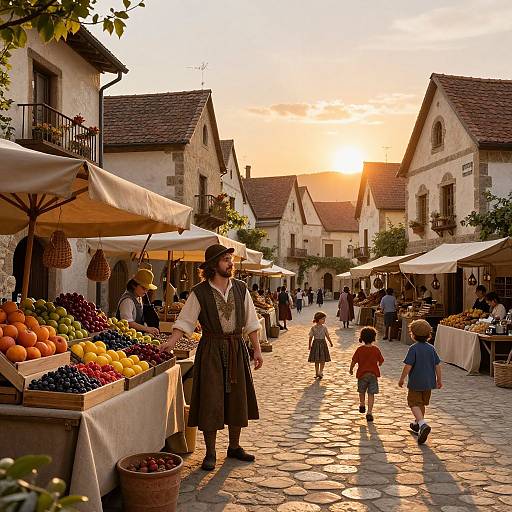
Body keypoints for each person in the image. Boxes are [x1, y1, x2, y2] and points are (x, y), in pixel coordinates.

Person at [161, 244, 263, 471]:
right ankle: (210, 452)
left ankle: (234, 447)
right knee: (210, 399)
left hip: (236, 347)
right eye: (226, 259)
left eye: (231, 259)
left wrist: (256, 349)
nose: (231, 263)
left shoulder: (241, 288)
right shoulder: (200, 292)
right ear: (213, 265)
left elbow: (251, 322)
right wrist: (170, 342)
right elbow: (185, 321)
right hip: (210, 350)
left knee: (237, 398)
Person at [398, 319, 442, 445]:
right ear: (429, 335)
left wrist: (402, 378)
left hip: (416, 382)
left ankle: (422, 424)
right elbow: (437, 365)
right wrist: (439, 379)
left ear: (413, 334)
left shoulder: (413, 348)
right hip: (429, 382)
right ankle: (417, 424)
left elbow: (408, 366)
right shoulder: (431, 348)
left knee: (413, 403)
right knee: (421, 403)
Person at [349, 327, 384, 422]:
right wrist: (378, 364)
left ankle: (362, 404)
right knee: (371, 393)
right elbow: (381, 361)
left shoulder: (359, 349)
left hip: (362, 374)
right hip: (373, 375)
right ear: (374, 338)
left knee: (362, 391)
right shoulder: (376, 349)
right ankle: (369, 412)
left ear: (362, 338)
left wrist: (351, 369)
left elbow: (354, 360)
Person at [116, 269, 160, 335]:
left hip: (136, 335)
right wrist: (147, 329)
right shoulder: (127, 301)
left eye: (147, 289)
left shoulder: (139, 297)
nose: (145, 292)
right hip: (125, 336)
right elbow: (128, 322)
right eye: (143, 288)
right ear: (134, 285)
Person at [308, 311, 333, 379]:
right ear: (318, 319)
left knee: (323, 359)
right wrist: (309, 345)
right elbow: (310, 337)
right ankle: (316, 372)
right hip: (316, 344)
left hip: (323, 344)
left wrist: (330, 342)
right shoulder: (313, 328)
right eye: (323, 319)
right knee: (316, 360)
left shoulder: (324, 328)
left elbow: (327, 336)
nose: (324, 320)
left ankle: (321, 371)